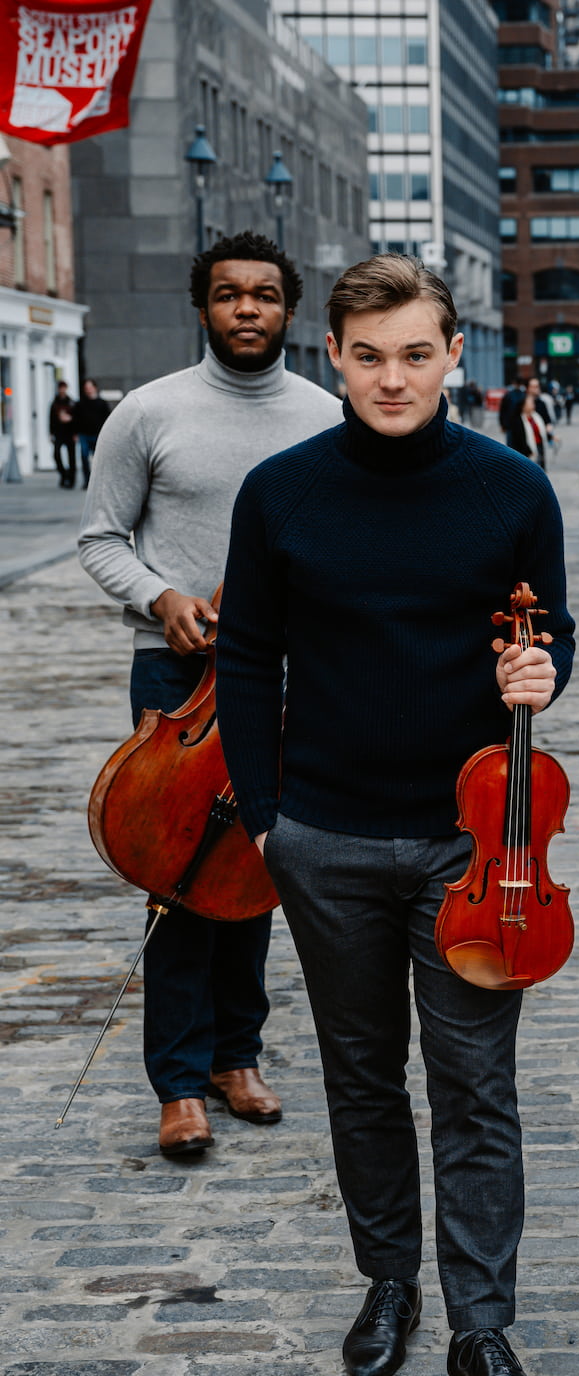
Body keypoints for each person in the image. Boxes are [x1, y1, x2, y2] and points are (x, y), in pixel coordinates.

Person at [214, 254, 574, 1376]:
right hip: (325, 837)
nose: (392, 378)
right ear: (336, 356)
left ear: (454, 355)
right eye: (368, 356)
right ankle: (387, 1283)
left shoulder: (513, 490)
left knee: (475, 1084)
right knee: (362, 1074)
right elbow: (244, 657)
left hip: (477, 847)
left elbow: (549, 636)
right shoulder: (281, 490)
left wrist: (541, 674)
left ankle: (481, 1316)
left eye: (416, 354)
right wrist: (271, 819)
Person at [78, 229, 341, 1158]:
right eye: (228, 295)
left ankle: (239, 1056)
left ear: (287, 309)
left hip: (283, 679)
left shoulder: (322, 415)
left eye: (263, 295)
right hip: (176, 674)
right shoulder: (148, 413)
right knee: (175, 873)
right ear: (204, 308)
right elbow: (101, 538)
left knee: (257, 869)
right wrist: (163, 596)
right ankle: (180, 1082)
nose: (246, 309)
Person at [72, 378, 111, 489]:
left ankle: (98, 481)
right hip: (84, 434)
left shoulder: (102, 403)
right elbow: (76, 419)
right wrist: (75, 433)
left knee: (98, 459)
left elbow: (108, 419)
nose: (88, 390)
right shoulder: (80, 404)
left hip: (98, 435)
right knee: (84, 457)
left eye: (90, 388)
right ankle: (87, 481)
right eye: (86, 388)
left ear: (95, 388)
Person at [49, 380, 77, 488]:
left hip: (69, 433)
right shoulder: (54, 404)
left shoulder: (71, 403)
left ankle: (71, 479)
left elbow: (76, 419)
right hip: (59, 433)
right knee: (56, 453)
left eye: (63, 388)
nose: (62, 390)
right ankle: (63, 474)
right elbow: (51, 419)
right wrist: (51, 433)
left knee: (71, 457)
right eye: (60, 388)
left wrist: (75, 432)